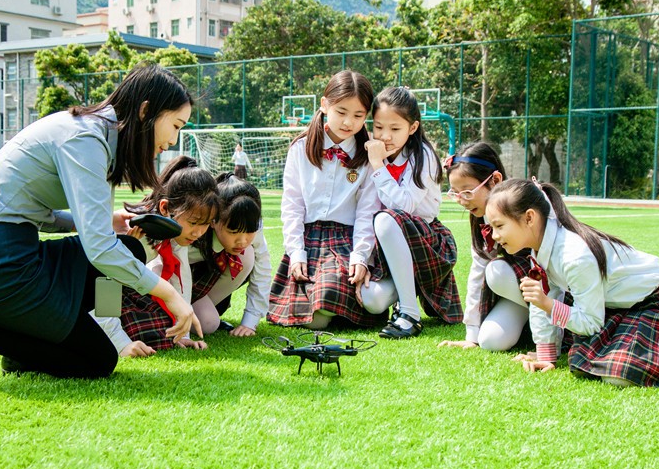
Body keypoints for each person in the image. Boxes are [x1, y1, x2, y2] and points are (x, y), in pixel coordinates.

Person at [0, 63, 200, 395]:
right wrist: (170, 294)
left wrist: (104, 222)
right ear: (146, 111)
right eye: (176, 125)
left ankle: (23, 351)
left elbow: (42, 213)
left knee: (128, 248)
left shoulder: (100, 137)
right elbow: (99, 251)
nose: (174, 139)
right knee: (96, 359)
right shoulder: (87, 138)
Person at [483, 178, 659, 386]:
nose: (494, 236)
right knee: (585, 361)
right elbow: (543, 300)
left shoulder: (573, 255)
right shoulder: (539, 248)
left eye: (499, 226)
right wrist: (547, 355)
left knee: (620, 376)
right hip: (618, 308)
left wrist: (547, 304)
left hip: (656, 303)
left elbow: (588, 321)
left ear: (529, 218)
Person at [268, 70, 384, 330]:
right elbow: (292, 206)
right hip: (308, 241)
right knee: (314, 320)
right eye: (341, 111)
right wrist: (296, 253)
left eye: (358, 115)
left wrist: (361, 257)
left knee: (327, 299)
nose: (348, 122)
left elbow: (368, 212)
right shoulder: (300, 149)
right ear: (324, 105)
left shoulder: (369, 155)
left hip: (345, 241)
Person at [357, 86, 461, 339]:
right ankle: (409, 288)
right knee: (372, 300)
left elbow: (403, 207)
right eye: (379, 127)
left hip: (426, 241)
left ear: (412, 128)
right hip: (389, 247)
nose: (385, 136)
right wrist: (364, 258)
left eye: (395, 129)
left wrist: (377, 165)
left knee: (384, 219)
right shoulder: (376, 153)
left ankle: (410, 315)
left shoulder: (422, 156)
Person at [94, 156, 219, 356]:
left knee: (164, 332)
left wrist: (184, 333)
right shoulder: (138, 232)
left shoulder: (174, 232)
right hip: (94, 300)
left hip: (133, 294)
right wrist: (120, 343)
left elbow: (181, 278)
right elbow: (103, 287)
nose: (199, 233)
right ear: (165, 208)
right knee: (147, 332)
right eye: (194, 222)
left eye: (206, 223)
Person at [437, 142, 534, 351]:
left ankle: (555, 328)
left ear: (495, 180)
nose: (462, 200)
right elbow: (477, 273)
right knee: (491, 340)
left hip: (551, 290)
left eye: (467, 192)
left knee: (496, 271)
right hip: (520, 293)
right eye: (455, 193)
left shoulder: (527, 205)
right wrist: (472, 334)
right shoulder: (481, 221)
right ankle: (532, 323)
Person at [189, 173, 271, 336]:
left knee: (247, 255)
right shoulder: (195, 231)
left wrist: (250, 322)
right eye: (233, 232)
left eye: (250, 232)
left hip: (207, 287)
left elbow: (263, 269)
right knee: (207, 322)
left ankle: (205, 309)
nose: (242, 241)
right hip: (176, 282)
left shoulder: (251, 223)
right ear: (213, 220)